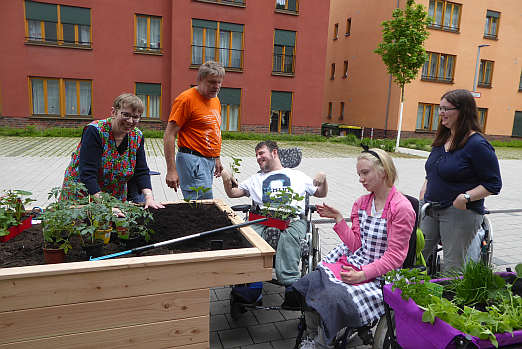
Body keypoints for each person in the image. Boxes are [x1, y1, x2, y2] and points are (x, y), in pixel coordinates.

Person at [288, 147, 415, 348]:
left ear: (383, 171)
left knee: (332, 298)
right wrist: (339, 219)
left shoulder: (401, 208)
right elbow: (356, 245)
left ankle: (322, 343)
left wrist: (362, 275)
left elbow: (395, 258)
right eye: (359, 174)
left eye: (365, 173)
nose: (361, 179)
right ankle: (314, 335)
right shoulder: (362, 203)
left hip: (381, 275)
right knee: (309, 283)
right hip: (358, 263)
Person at [221, 140, 328, 302]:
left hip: (292, 220)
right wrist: (226, 179)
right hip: (262, 219)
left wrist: (323, 179)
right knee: (249, 241)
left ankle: (292, 286)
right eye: (256, 155)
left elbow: (320, 193)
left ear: (275, 153)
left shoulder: (297, 175)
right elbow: (234, 193)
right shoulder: (255, 178)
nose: (258, 157)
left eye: (261, 153)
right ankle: (253, 288)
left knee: (289, 238)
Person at [420, 89, 501, 273]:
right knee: (417, 256)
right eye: (440, 108)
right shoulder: (443, 138)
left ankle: (449, 300)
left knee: (453, 266)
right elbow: (432, 170)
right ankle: (409, 298)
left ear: (462, 111)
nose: (441, 113)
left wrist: (465, 197)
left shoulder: (477, 144)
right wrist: (425, 187)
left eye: (446, 108)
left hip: (458, 213)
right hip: (431, 208)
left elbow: (493, 184)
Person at [61, 93, 164, 210]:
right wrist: (106, 207)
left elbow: (141, 170)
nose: (130, 121)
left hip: (114, 195)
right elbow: (87, 173)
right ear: (114, 112)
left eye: (135, 117)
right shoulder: (95, 131)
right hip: (84, 193)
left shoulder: (137, 136)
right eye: (126, 115)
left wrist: (149, 198)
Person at [163, 61, 225, 200]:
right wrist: (171, 170)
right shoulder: (186, 100)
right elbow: (169, 135)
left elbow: (214, 129)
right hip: (192, 160)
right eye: (212, 82)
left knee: (202, 203)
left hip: (208, 161)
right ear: (200, 79)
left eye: (219, 82)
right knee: (201, 204)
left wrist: (216, 157)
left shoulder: (215, 100)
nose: (217, 87)